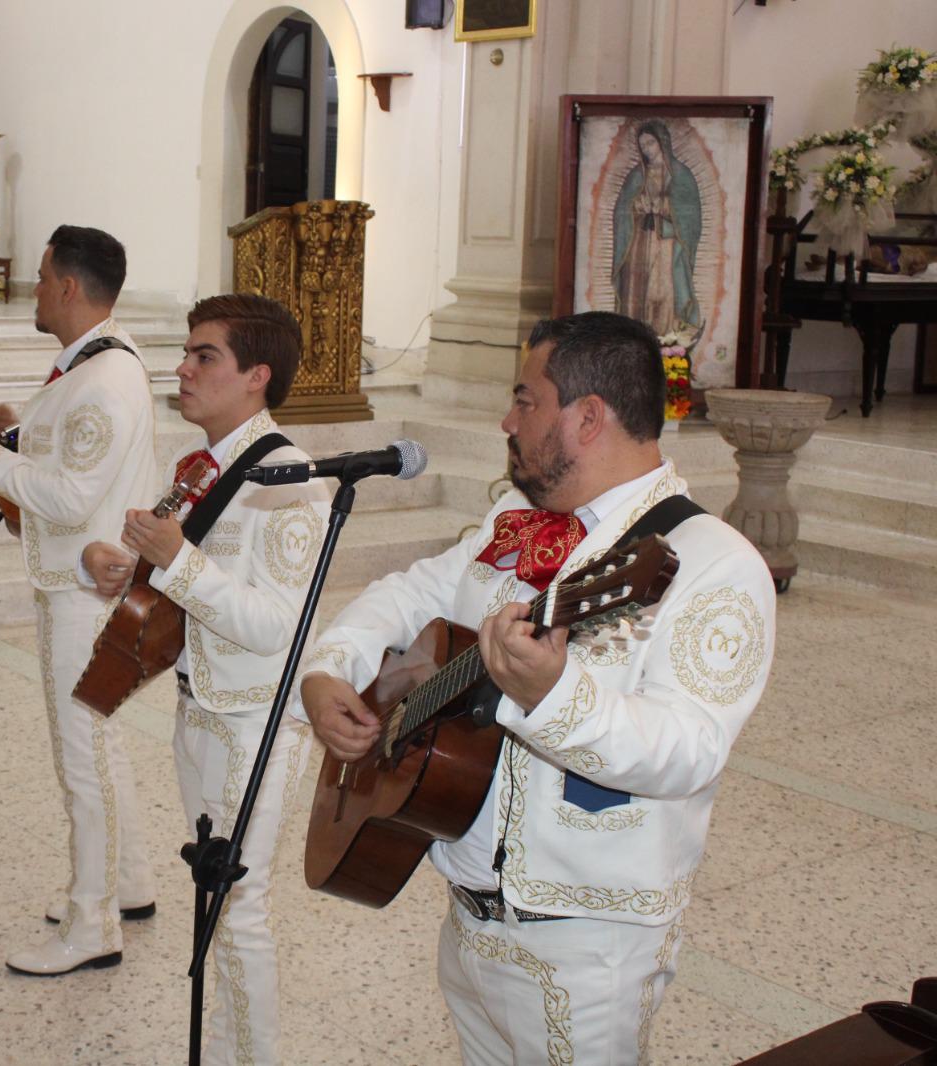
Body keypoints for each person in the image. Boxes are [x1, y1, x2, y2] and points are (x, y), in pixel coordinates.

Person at [297, 311, 776, 1064]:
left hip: (587, 950)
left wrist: (553, 695)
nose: (506, 420)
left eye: (525, 400)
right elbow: (409, 593)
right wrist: (329, 669)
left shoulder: (715, 564)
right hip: (468, 921)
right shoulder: (517, 517)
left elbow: (689, 749)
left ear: (588, 418)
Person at [83, 294, 328, 1062]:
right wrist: (118, 570)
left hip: (253, 721)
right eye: (187, 353)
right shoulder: (201, 465)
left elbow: (277, 627)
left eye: (204, 357)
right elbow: (170, 589)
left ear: (257, 376)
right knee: (213, 901)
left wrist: (177, 561)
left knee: (239, 907)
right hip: (199, 708)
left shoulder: (289, 482)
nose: (183, 369)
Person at [0, 225, 158, 977]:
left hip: (84, 596)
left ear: (68, 285)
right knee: (101, 746)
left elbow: (67, 498)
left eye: (39, 278)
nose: (32, 289)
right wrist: (15, 433)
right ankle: (127, 885)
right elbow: (71, 459)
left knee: (82, 757)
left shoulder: (106, 376)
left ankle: (92, 922)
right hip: (76, 582)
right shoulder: (90, 367)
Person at [612, 120, 702, 340]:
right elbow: (621, 209)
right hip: (639, 243)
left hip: (667, 243)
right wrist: (636, 206)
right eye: (643, 146)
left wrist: (665, 207)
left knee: (662, 292)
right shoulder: (636, 175)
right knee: (636, 292)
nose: (647, 150)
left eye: (650, 143)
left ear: (662, 142)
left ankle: (664, 342)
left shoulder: (681, 175)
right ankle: (634, 341)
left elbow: (692, 214)